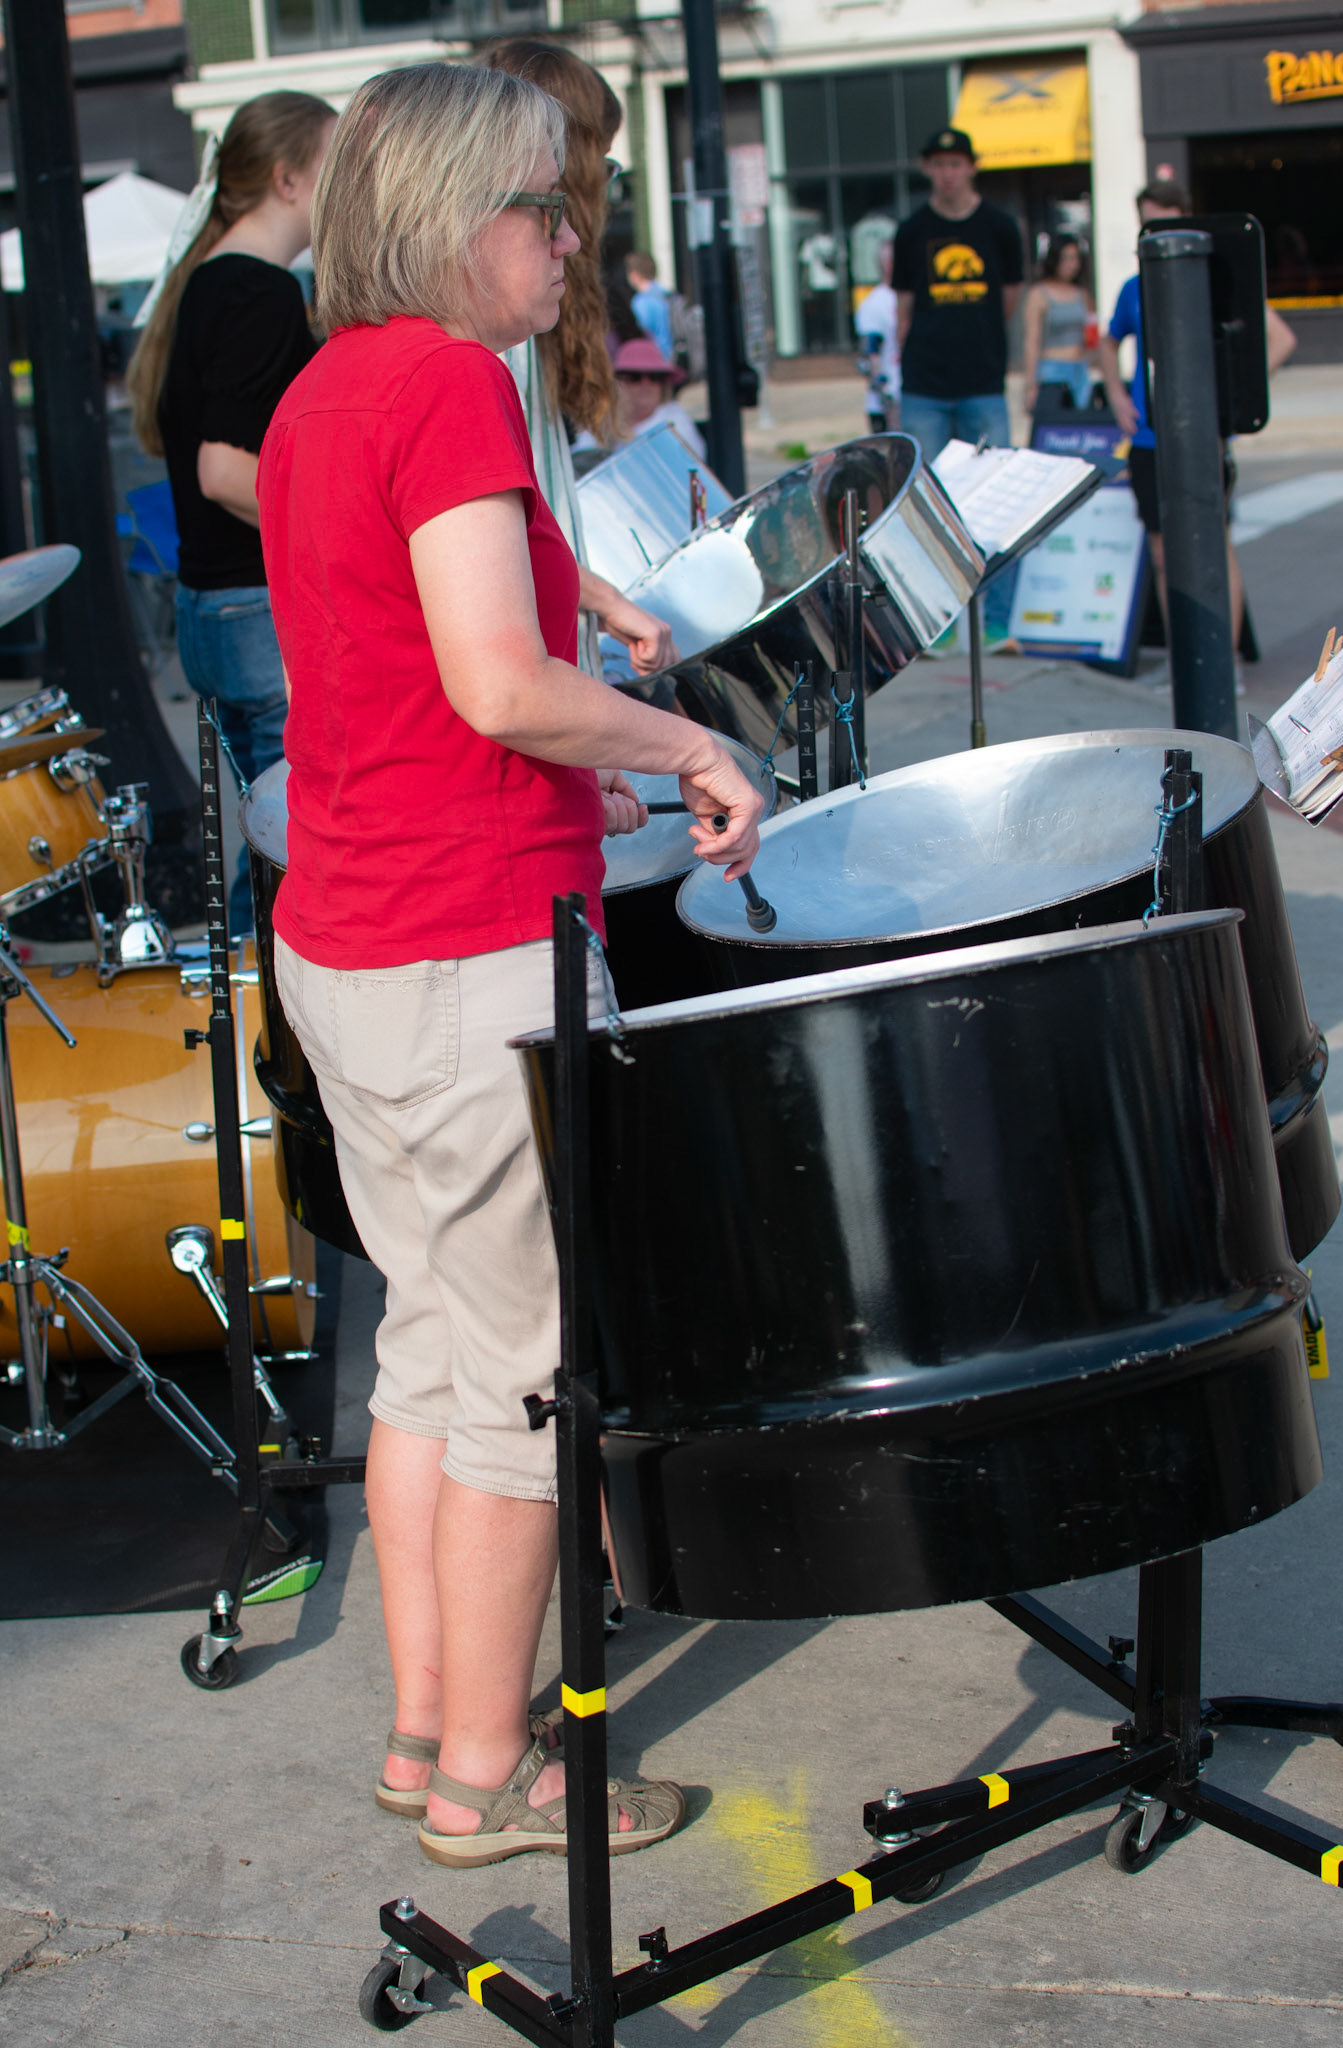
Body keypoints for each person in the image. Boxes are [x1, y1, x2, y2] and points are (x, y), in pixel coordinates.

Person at [257, 61, 765, 1867]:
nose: (570, 241)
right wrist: (685, 744)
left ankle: (420, 1737)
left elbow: (424, 631)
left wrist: (592, 613)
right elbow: (493, 684)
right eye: (544, 209)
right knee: (526, 1375)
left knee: (427, 1358)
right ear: (455, 219)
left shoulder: (331, 389)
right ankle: (490, 1770)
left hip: (355, 943)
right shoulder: (457, 387)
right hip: (465, 956)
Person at [127, 91, 336, 935]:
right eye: (334, 167)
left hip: (215, 606)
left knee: (268, 853)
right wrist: (335, 523)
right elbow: (222, 470)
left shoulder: (211, 285)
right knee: (289, 861)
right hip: (253, 609)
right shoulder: (258, 293)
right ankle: (278, 1050)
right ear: (287, 179)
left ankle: (269, 1038)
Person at [483, 40, 676, 684]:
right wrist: (607, 601)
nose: (574, 233)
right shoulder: (491, 334)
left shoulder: (520, 323)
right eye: (604, 166)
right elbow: (500, 535)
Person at [1098, 178, 1297, 651]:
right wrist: (1117, 396)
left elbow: (1281, 338)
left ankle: (1222, 661)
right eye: (1145, 223)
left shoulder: (1213, 276)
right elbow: (1109, 341)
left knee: (1215, 544)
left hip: (1204, 434)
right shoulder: (1136, 286)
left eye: (1160, 221)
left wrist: (1235, 391)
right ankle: (1183, 658)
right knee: (1163, 551)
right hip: (1150, 436)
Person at [892, 126, 1024, 462]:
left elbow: (1010, 299)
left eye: (954, 163)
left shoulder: (1000, 227)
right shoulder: (911, 231)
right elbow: (903, 306)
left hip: (983, 379)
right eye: (938, 164)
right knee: (925, 485)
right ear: (926, 168)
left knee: (990, 481)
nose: (947, 173)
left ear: (971, 167)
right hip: (924, 384)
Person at [573, 337, 706, 459]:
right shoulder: (601, 420)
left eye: (654, 377)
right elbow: (582, 461)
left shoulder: (674, 419)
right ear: (618, 383)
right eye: (635, 377)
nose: (645, 384)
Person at [1022, 234, 1094, 419]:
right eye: (1067, 258)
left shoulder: (1082, 293)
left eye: (1076, 258)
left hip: (1080, 369)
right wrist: (1031, 385)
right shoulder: (1039, 294)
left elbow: (1092, 331)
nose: (1073, 265)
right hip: (1052, 369)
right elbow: (1032, 340)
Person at [853, 242, 901, 435]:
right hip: (890, 401)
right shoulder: (875, 304)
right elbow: (870, 354)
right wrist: (886, 398)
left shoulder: (909, 298)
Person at [625, 250, 675, 361]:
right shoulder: (667, 295)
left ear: (634, 275)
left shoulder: (640, 302)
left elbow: (642, 335)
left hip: (655, 360)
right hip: (673, 357)